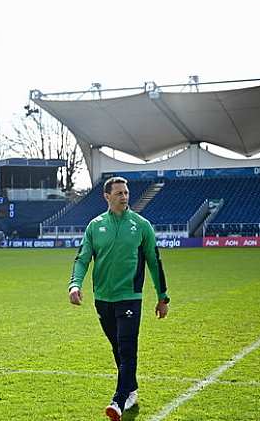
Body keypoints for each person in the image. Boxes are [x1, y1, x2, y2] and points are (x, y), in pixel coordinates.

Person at [68, 176, 170, 420]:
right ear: (107, 196)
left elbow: (155, 262)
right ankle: (131, 389)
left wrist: (162, 297)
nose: (124, 197)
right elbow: (82, 259)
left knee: (126, 348)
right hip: (102, 298)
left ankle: (119, 399)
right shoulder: (95, 226)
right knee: (117, 348)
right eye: (119, 193)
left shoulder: (142, 225)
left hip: (130, 297)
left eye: (126, 193)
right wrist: (75, 284)